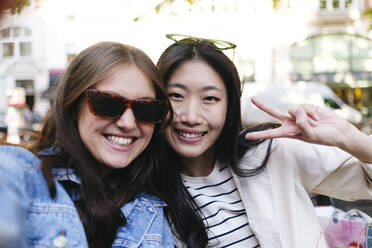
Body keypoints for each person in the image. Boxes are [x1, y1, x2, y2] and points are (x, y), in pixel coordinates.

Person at [155, 34, 372, 248]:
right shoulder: (143, 194)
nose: (191, 117)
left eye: (210, 98)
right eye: (176, 95)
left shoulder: (271, 154)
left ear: (229, 107)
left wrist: (347, 137)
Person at [0, 41, 174, 248]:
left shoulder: (154, 213)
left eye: (146, 109)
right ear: (73, 106)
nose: (127, 123)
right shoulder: (24, 174)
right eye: (108, 103)